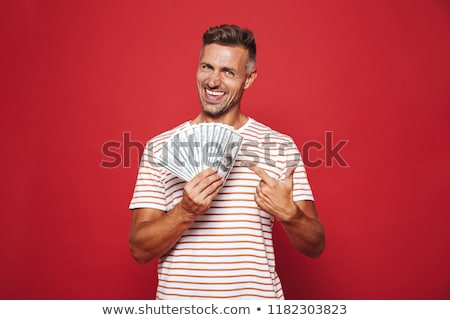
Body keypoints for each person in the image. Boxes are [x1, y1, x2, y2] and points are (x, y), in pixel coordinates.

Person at [129, 24, 325, 299]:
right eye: (207, 67)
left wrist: (289, 214)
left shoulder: (279, 146)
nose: (213, 81)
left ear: (248, 78)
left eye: (228, 72)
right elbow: (139, 249)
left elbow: (315, 245)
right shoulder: (159, 147)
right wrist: (186, 211)